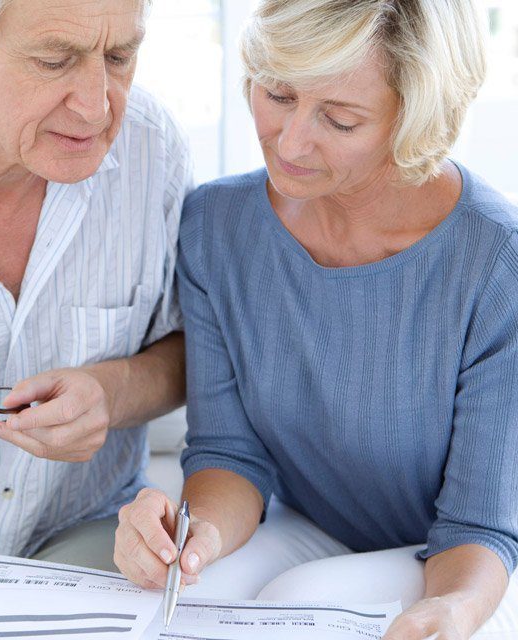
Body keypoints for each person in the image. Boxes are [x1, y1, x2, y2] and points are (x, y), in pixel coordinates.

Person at [114, 1, 518, 638]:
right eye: (277, 93)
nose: (291, 140)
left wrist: (452, 612)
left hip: (474, 564)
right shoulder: (217, 226)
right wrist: (193, 537)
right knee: (172, 602)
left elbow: (480, 528)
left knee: (302, 599)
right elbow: (229, 455)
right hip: (314, 525)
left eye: (340, 119)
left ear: (416, 118)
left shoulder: (496, 261)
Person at [0, 0, 192, 631]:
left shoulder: (152, 152)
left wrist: (112, 390)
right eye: (55, 60)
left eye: (120, 56)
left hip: (91, 554)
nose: (97, 105)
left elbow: (194, 349)